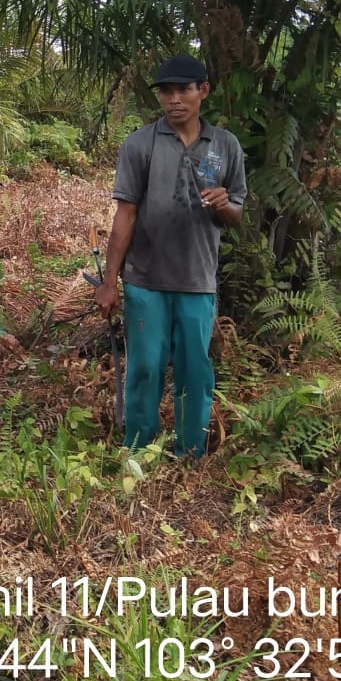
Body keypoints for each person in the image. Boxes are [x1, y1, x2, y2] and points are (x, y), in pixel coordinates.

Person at [94, 55, 247, 457]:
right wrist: (111, 281)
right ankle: (139, 450)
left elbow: (237, 214)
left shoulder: (225, 145)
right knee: (144, 369)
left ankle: (189, 451)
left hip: (197, 280)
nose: (174, 99)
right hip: (145, 280)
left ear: (204, 91)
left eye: (184, 90)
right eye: (166, 91)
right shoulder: (140, 144)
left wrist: (224, 203)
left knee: (195, 372)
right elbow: (124, 214)